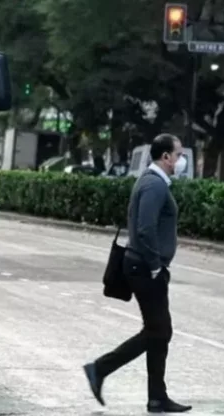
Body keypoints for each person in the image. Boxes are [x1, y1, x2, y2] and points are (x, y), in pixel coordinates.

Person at [83, 133, 192, 413]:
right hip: (145, 267)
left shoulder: (152, 182)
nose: (180, 161)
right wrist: (156, 265)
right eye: (178, 155)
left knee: (159, 331)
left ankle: (157, 397)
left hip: (143, 266)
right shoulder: (154, 185)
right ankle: (101, 368)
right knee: (159, 330)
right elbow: (145, 228)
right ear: (165, 157)